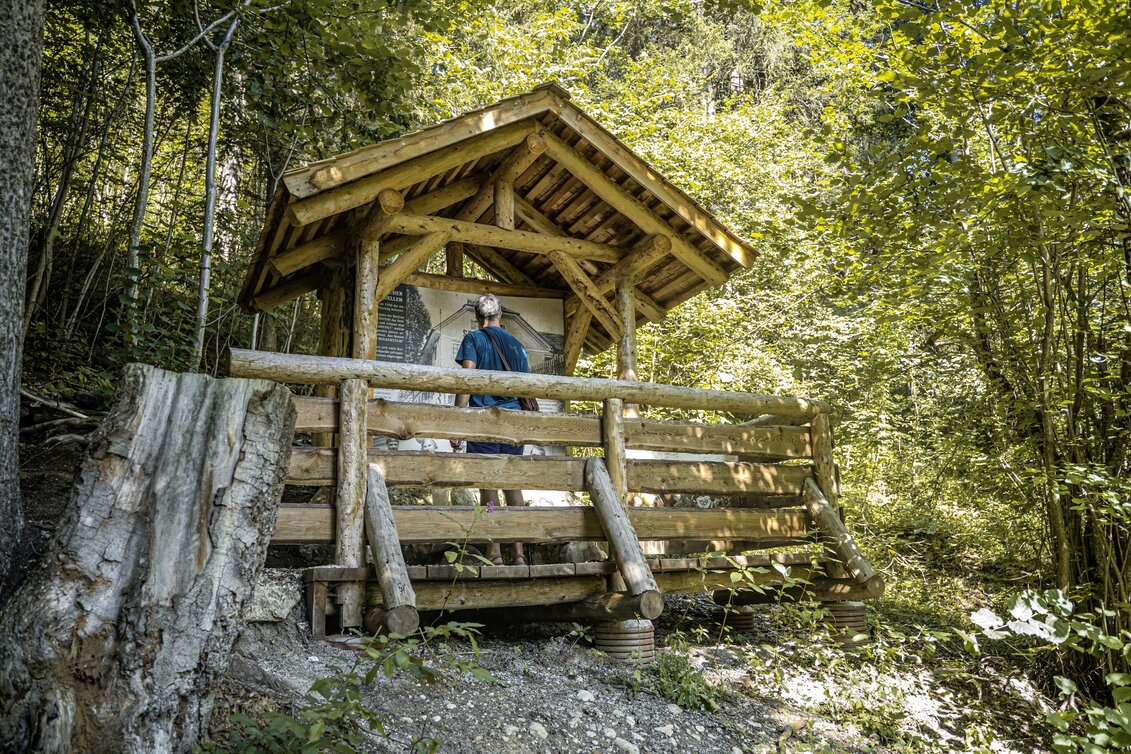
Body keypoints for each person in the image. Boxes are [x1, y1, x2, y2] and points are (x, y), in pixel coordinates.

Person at [450, 294, 529, 566]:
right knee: (512, 485)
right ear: (501, 316)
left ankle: (494, 551)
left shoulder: (473, 339)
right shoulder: (517, 344)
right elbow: (525, 387)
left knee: (489, 487)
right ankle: (518, 552)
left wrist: (458, 421)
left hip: (484, 420)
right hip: (514, 423)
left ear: (476, 317)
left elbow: (467, 379)